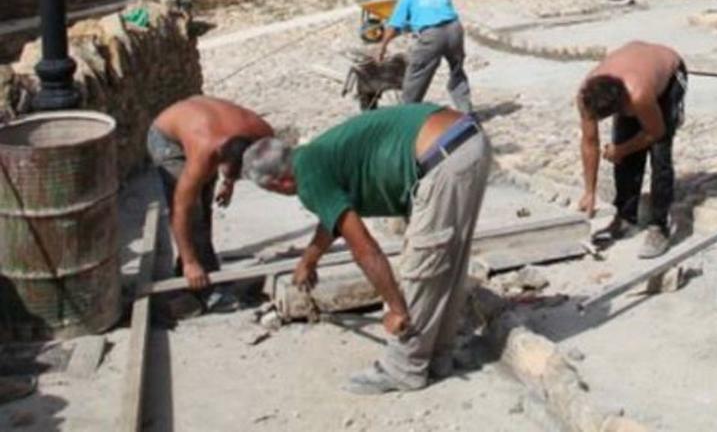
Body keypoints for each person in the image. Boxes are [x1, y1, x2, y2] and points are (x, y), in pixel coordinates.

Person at [241, 103, 491, 396]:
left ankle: (404, 369)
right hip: (467, 141)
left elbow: (365, 250)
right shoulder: (311, 157)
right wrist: (309, 260)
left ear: (281, 182)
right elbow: (333, 214)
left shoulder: (307, 177)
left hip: (443, 159)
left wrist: (396, 308)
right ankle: (439, 356)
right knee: (448, 261)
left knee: (421, 268)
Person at [146, 96, 274, 309]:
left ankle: (197, 272)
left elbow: (238, 159)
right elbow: (181, 209)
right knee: (193, 212)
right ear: (218, 158)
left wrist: (229, 182)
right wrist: (190, 262)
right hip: (166, 137)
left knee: (205, 207)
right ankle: (205, 286)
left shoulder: (263, 133)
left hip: (202, 122)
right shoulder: (204, 152)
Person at [576, 41, 688, 260]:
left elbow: (655, 132)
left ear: (621, 105)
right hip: (635, 66)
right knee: (624, 143)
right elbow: (590, 142)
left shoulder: (638, 93)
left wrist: (621, 150)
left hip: (670, 73)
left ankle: (659, 226)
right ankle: (626, 216)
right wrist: (589, 192)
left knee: (659, 152)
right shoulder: (585, 96)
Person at [379, 0, 472, 112]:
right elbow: (437, 11)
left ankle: (405, 116)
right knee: (457, 70)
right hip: (455, 29)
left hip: (432, 35)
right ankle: (466, 111)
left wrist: (382, 48)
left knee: (416, 74)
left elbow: (394, 25)